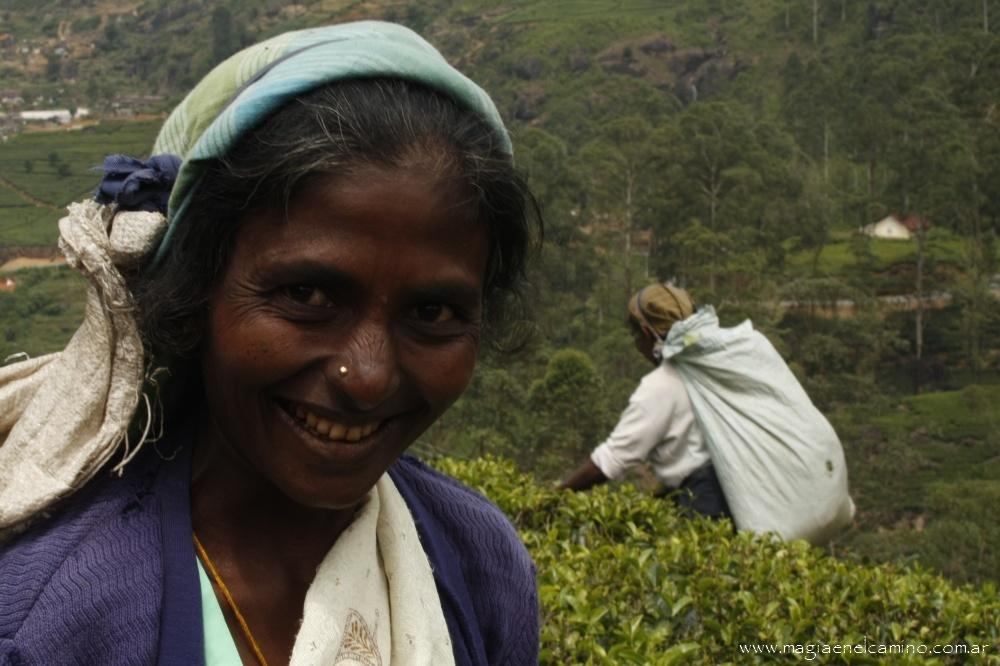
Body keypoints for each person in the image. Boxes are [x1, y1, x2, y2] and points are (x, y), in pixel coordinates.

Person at [0, 22, 540, 666]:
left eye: (433, 311)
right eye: (308, 296)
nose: (366, 376)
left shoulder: (478, 565)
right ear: (198, 288)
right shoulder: (47, 616)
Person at [559, 283, 731, 520]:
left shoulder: (662, 385)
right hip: (740, 499)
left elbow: (610, 461)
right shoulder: (722, 365)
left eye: (635, 335)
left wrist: (553, 497)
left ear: (647, 334)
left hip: (705, 509)